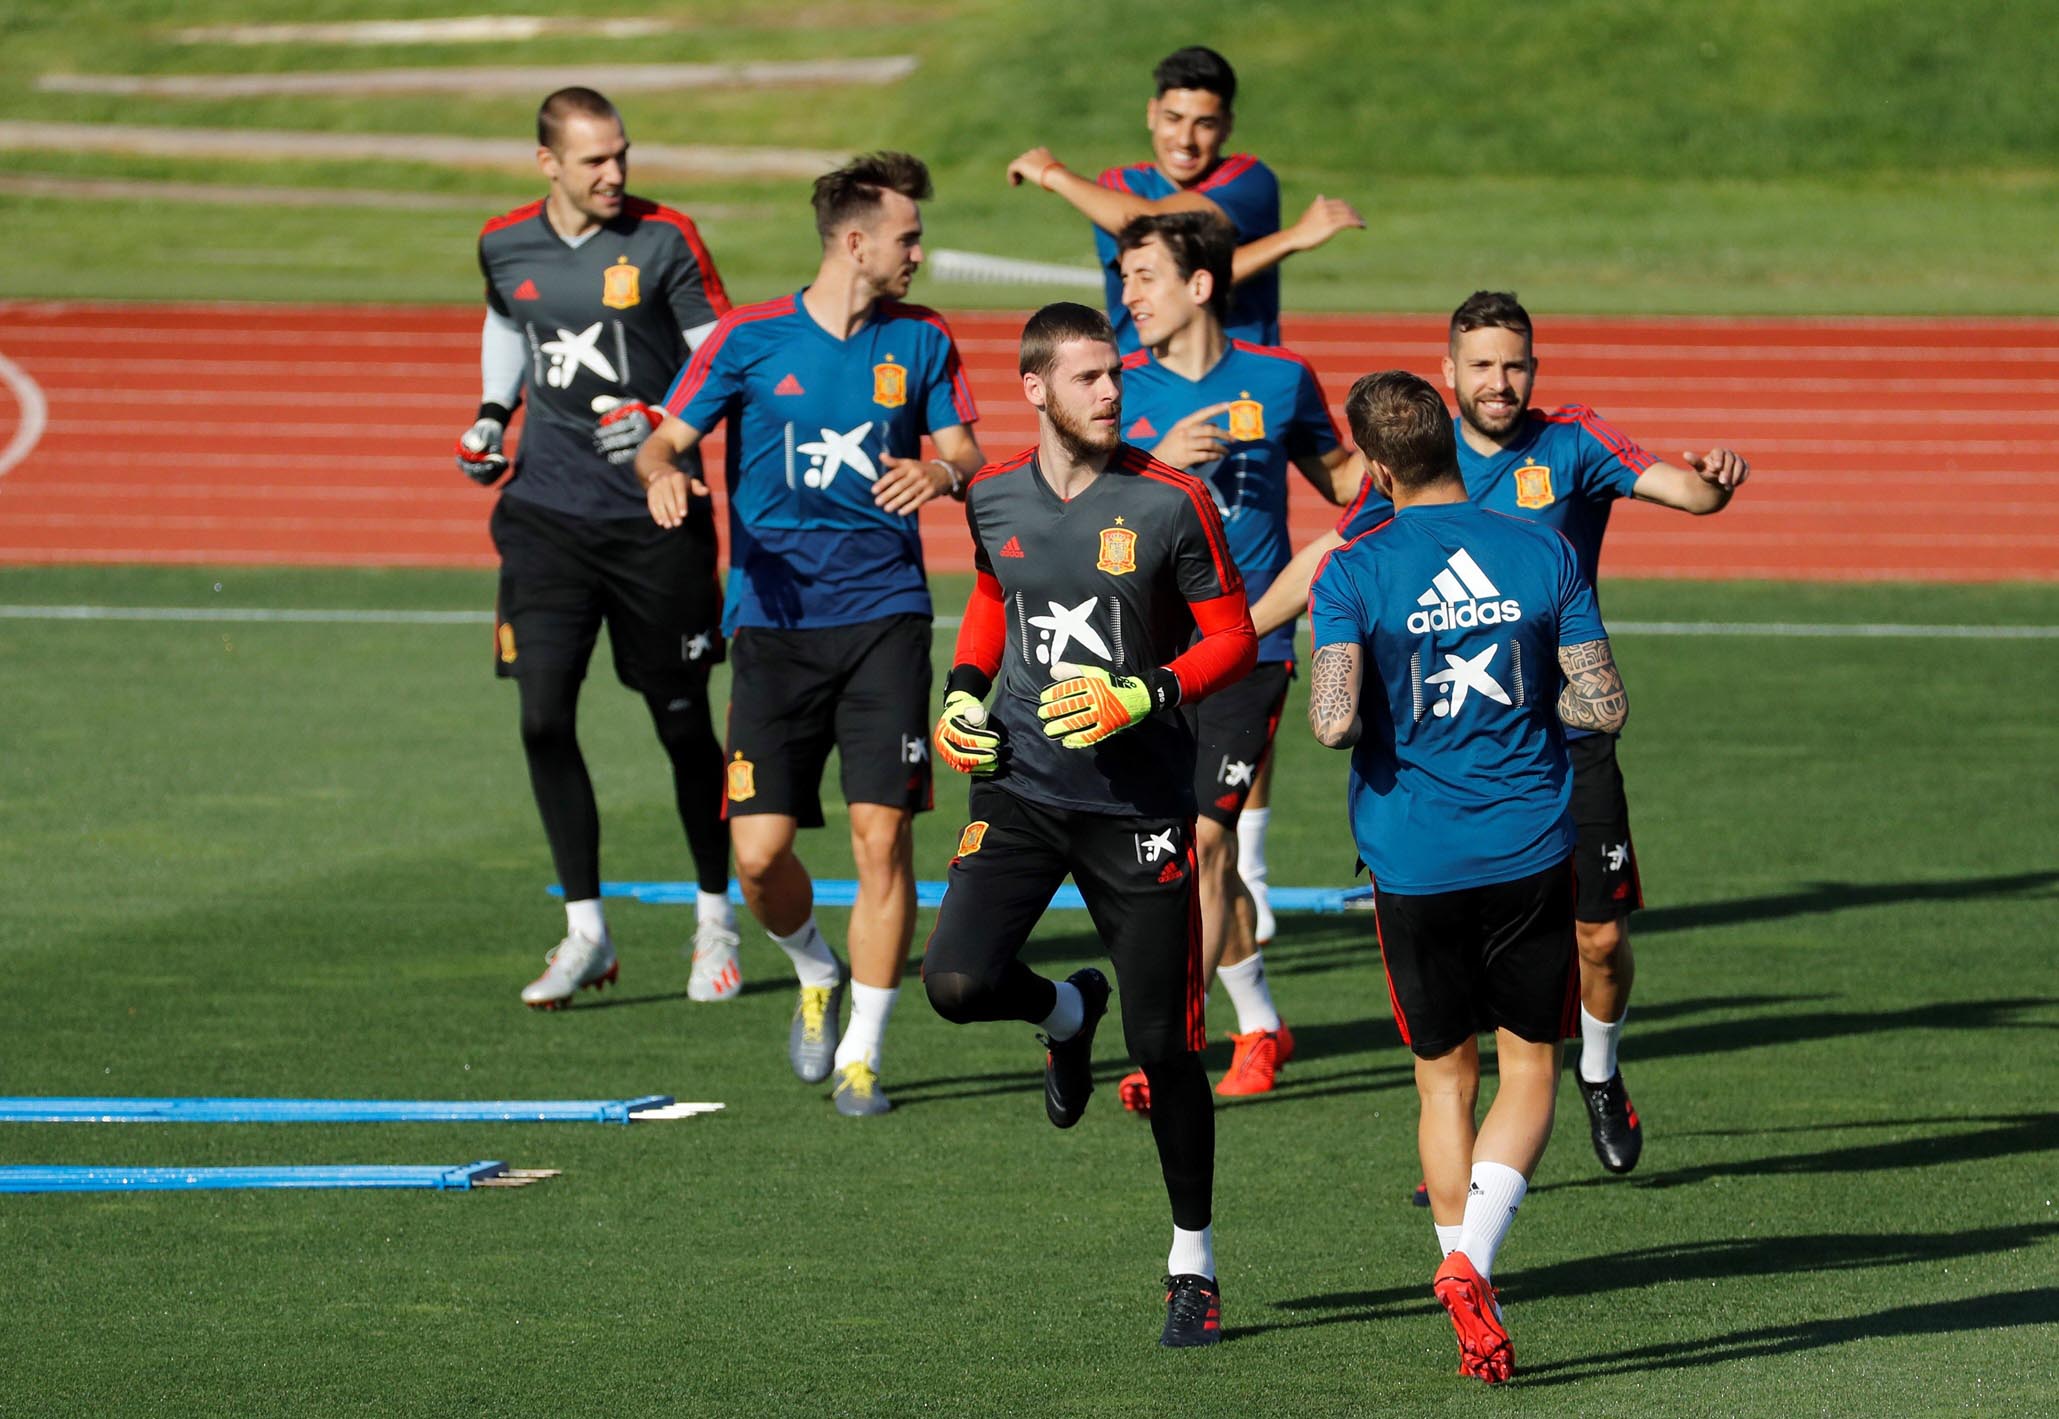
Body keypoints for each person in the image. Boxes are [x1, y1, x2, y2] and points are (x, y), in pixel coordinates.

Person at [1254, 293, 1751, 1180]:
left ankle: (1598, 1069)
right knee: (1465, 991)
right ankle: (1469, 1160)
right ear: (1447, 372)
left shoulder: (1571, 443)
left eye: (1514, 363)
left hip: (1562, 741)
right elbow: (1329, 557)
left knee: (1599, 941)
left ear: (1534, 367)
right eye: (1481, 365)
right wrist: (1235, 635)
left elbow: (1688, 494)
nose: (1499, 381)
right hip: (1451, 757)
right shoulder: (1417, 461)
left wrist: (1714, 478)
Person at [925, 301, 1256, 1346]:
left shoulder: (1170, 500)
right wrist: (961, 694)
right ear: (1034, 390)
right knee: (956, 983)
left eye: (1115, 374)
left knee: (1164, 1047)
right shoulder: (991, 495)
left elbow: (1235, 637)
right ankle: (1068, 1015)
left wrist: (1144, 693)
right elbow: (995, 596)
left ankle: (1193, 1265)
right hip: (1020, 785)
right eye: (1088, 377)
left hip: (1137, 806)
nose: (1112, 391)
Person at [634, 151, 984, 1117]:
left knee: (883, 837)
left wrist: (940, 474)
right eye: (908, 237)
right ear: (856, 242)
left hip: (885, 617)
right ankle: (813, 966)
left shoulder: (923, 338)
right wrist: (661, 473)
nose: (919, 252)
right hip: (773, 624)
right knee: (757, 854)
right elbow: (665, 437)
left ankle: (862, 1053)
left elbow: (965, 452)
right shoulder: (748, 339)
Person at [1306, 370, 1628, 1384]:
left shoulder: (1351, 570)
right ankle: (1471, 1264)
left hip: (1411, 857)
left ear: (1371, 466)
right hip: (1528, 845)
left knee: (1443, 1080)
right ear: (1449, 436)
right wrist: (1529, 710)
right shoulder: (1542, 548)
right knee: (1530, 1069)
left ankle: (1460, 1274)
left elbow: (1330, 724)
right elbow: (1603, 704)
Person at [458, 86, 739, 1010]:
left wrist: (660, 417)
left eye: (621, 153)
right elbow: (509, 322)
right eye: (593, 160)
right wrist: (492, 415)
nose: (614, 172)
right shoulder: (504, 242)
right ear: (547, 164)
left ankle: (714, 920)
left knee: (681, 723)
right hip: (545, 515)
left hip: (657, 518)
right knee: (542, 717)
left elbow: (722, 361)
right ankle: (586, 932)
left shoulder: (666, 240)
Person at [1108, 210, 1356, 1103]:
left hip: (1251, 648)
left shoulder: (1281, 378)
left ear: (1200, 284)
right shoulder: (1115, 385)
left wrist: (1429, 464)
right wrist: (1153, 461)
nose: (1128, 295)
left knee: (1206, 843)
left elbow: (1344, 481)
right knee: (1177, 850)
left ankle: (1172, 1050)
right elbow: (1072, 511)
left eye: (1143, 277)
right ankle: (1259, 1024)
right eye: (1124, 278)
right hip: (1145, 656)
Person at [1005, 45, 1363, 354]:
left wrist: (1053, 175)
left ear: (1227, 126)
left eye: (1204, 124)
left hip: (1244, 375)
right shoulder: (1116, 189)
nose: (1185, 140)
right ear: (1151, 113)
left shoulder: (1249, 179)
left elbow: (1158, 227)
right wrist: (1292, 238)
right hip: (1145, 380)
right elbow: (1171, 255)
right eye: (1173, 119)